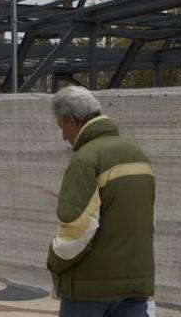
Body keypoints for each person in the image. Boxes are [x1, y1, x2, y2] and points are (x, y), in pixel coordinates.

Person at [48, 86, 156, 317]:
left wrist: (54, 261)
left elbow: (76, 228)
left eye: (61, 127)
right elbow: (148, 219)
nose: (63, 136)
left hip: (90, 289)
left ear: (71, 120)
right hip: (135, 283)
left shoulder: (86, 159)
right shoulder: (137, 153)